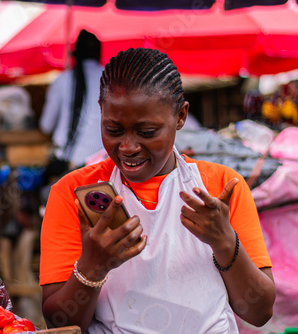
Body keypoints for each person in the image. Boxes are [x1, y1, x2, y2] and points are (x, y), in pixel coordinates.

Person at [40, 48, 275, 333]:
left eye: (147, 132)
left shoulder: (221, 188)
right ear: (101, 110)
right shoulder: (76, 192)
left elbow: (259, 311)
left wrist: (225, 242)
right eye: (114, 130)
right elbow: (60, 322)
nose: (128, 147)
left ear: (181, 116)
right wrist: (93, 266)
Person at [40, 29, 104, 182]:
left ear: (76, 54)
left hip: (69, 164)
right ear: (98, 53)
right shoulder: (113, 78)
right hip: (104, 163)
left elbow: (46, 125)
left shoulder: (62, 80)